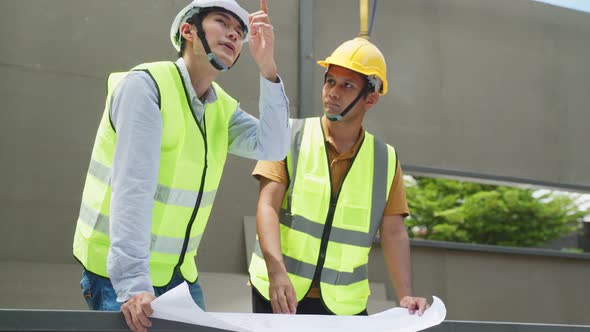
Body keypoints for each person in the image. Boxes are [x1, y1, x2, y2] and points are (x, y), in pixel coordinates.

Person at [72, 0, 289, 331]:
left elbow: (274, 145)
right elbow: (133, 187)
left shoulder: (221, 109)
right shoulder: (146, 87)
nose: (234, 33)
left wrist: (267, 68)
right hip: (118, 277)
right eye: (222, 22)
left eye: (240, 31)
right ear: (188, 30)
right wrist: (134, 286)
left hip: (178, 274)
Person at [248, 37, 429, 316]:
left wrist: (405, 295)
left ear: (370, 98)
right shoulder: (287, 135)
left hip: (344, 306)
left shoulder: (385, 160)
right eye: (330, 81)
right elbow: (267, 206)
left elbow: (393, 231)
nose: (333, 92)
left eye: (347, 85)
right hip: (279, 291)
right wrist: (276, 272)